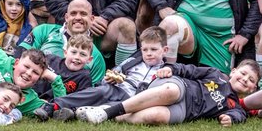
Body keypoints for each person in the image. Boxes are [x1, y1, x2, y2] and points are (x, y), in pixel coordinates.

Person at [33, 26, 172, 120]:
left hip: (134, 99)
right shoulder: (132, 61)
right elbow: (114, 73)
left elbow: (168, 87)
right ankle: (53, 106)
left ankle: (73, 112)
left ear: (165, 50)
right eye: (145, 50)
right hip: (117, 89)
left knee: (108, 107)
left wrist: (168, 72)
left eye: (153, 50)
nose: (148, 53)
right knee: (101, 91)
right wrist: (109, 79)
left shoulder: (166, 70)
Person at [75, 59, 260, 126]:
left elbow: (239, 115)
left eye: (251, 80)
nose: (245, 79)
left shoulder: (235, 106)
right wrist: (170, 68)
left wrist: (231, 119)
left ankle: (105, 112)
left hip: (187, 111)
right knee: (170, 92)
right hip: (179, 87)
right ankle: (107, 112)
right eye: (243, 73)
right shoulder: (216, 74)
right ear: (233, 71)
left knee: (158, 117)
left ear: (253, 89)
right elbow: (189, 70)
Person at [19, 0, 111, 87]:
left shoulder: (96, 57)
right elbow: (19, 58)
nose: (78, 17)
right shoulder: (44, 30)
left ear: (91, 19)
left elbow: (94, 92)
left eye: (83, 14)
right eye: (73, 13)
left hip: (68, 96)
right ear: (66, 17)